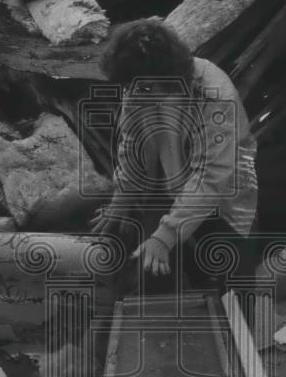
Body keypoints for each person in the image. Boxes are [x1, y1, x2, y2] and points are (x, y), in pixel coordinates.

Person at [90, 18, 259, 297]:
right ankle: (159, 332)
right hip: (173, 180)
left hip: (229, 189)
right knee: (151, 270)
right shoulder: (137, 87)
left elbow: (211, 177)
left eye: (145, 88)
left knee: (237, 290)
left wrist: (165, 235)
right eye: (131, 87)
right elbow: (132, 144)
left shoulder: (213, 95)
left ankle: (243, 334)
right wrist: (121, 199)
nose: (134, 95)